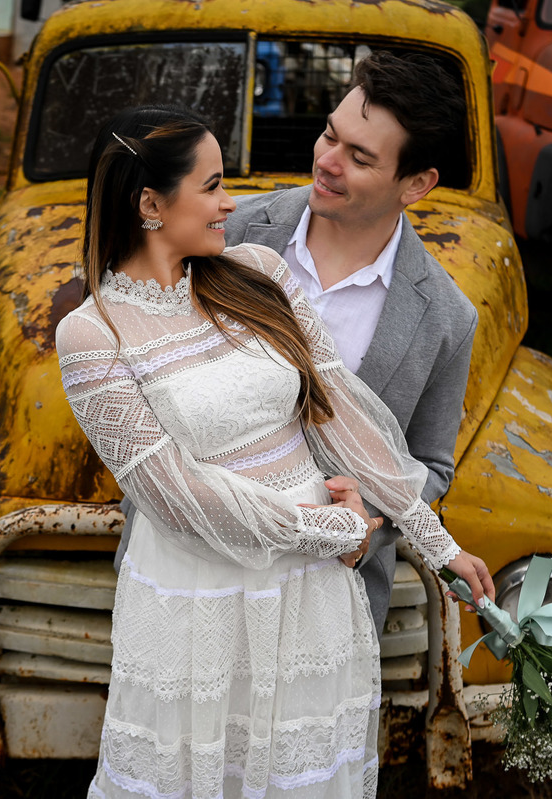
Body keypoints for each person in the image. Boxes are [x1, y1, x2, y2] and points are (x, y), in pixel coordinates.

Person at [56, 105, 493, 798]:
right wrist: (329, 530)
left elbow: (340, 414)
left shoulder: (257, 271)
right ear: (150, 204)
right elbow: (173, 495)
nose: (231, 202)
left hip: (309, 590)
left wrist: (439, 546)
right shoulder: (91, 333)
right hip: (200, 594)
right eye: (212, 185)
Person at [117, 51, 479, 634]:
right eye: (330, 135)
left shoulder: (446, 317)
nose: (328, 162)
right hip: (185, 579)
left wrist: (368, 513)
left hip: (328, 600)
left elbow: (430, 463)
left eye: (360, 157)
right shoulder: (223, 228)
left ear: (417, 183)